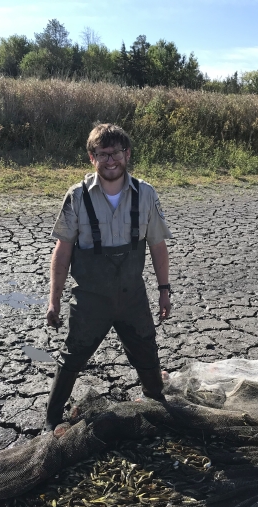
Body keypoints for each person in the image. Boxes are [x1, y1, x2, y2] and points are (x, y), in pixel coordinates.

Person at [44, 123, 172, 431]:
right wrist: (54, 301)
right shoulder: (76, 197)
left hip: (132, 297)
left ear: (126, 154)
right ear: (92, 158)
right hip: (90, 300)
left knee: (147, 352)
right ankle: (51, 421)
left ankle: (157, 404)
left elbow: (157, 245)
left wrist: (164, 290)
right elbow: (62, 252)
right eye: (101, 154)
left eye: (115, 152)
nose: (110, 160)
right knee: (72, 357)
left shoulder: (145, 194)